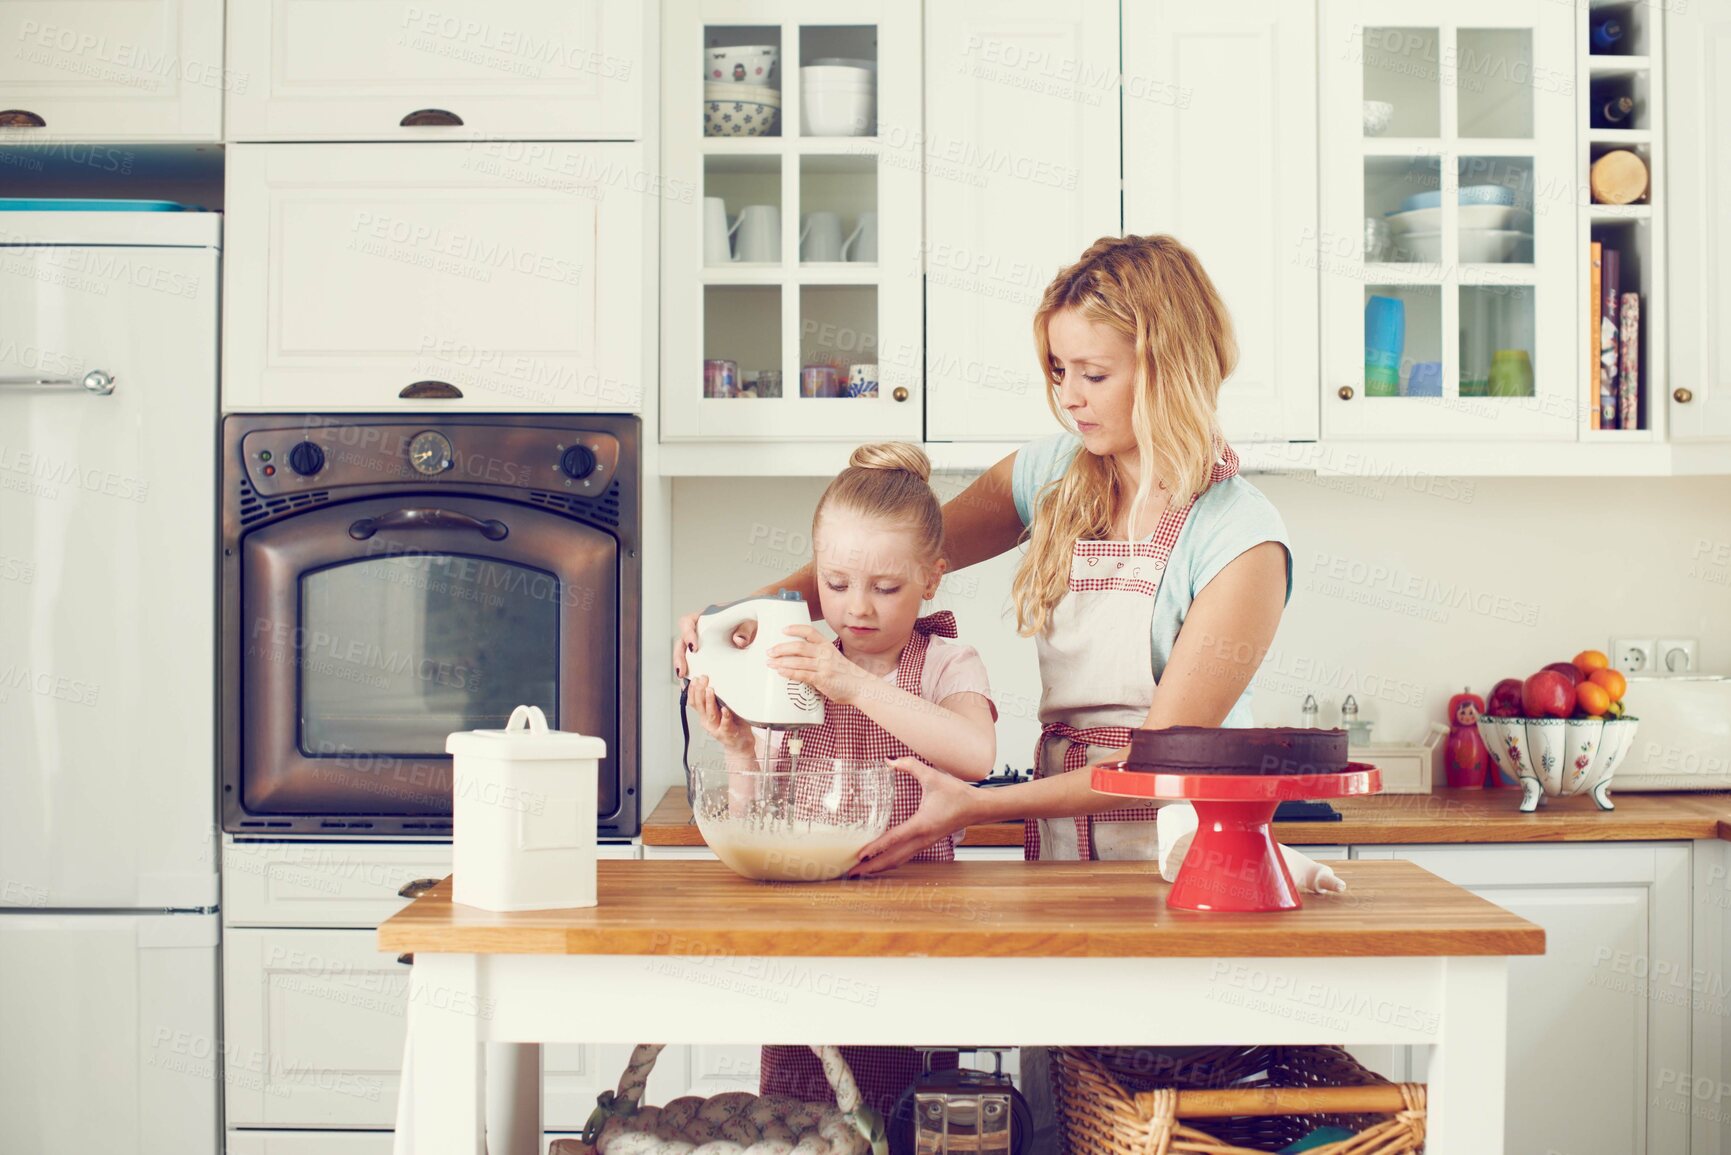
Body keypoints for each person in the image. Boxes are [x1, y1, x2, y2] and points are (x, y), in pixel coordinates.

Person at [685, 440, 997, 1123]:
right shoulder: (795, 667)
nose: (856, 607)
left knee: (910, 1120)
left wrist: (851, 682)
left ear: (932, 577)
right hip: (809, 936)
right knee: (800, 1118)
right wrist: (738, 745)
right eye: (834, 582)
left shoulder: (946, 661)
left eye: (886, 587)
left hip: (919, 934)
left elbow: (974, 753)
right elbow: (757, 814)